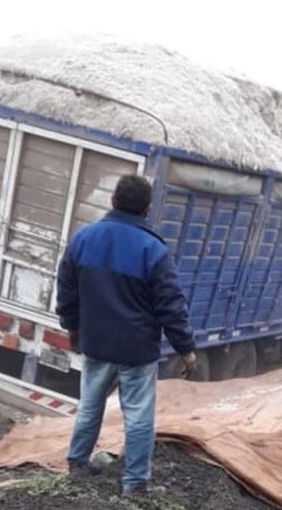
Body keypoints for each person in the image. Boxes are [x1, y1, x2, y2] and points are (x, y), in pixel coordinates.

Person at [56, 174, 196, 494]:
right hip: (136, 348)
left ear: (113, 200)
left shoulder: (83, 238)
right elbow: (171, 304)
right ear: (147, 208)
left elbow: (66, 289)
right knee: (138, 416)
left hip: (96, 342)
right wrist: (185, 348)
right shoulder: (153, 250)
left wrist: (73, 327)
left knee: (90, 405)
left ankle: (77, 464)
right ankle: (134, 484)